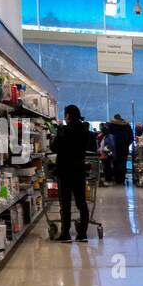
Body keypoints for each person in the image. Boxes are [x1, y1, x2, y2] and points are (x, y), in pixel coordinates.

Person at [50, 104, 95, 242]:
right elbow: (91, 147)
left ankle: (66, 234)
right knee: (81, 202)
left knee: (66, 203)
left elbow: (54, 147)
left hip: (64, 170)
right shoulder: (85, 130)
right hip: (79, 170)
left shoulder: (63, 130)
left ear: (68, 115)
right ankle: (82, 234)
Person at [105, 113, 133, 185]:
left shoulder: (112, 125)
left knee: (115, 163)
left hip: (114, 148)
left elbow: (108, 137)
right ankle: (122, 179)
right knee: (123, 163)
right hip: (124, 148)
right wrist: (127, 144)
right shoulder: (127, 126)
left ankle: (117, 179)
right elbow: (131, 138)